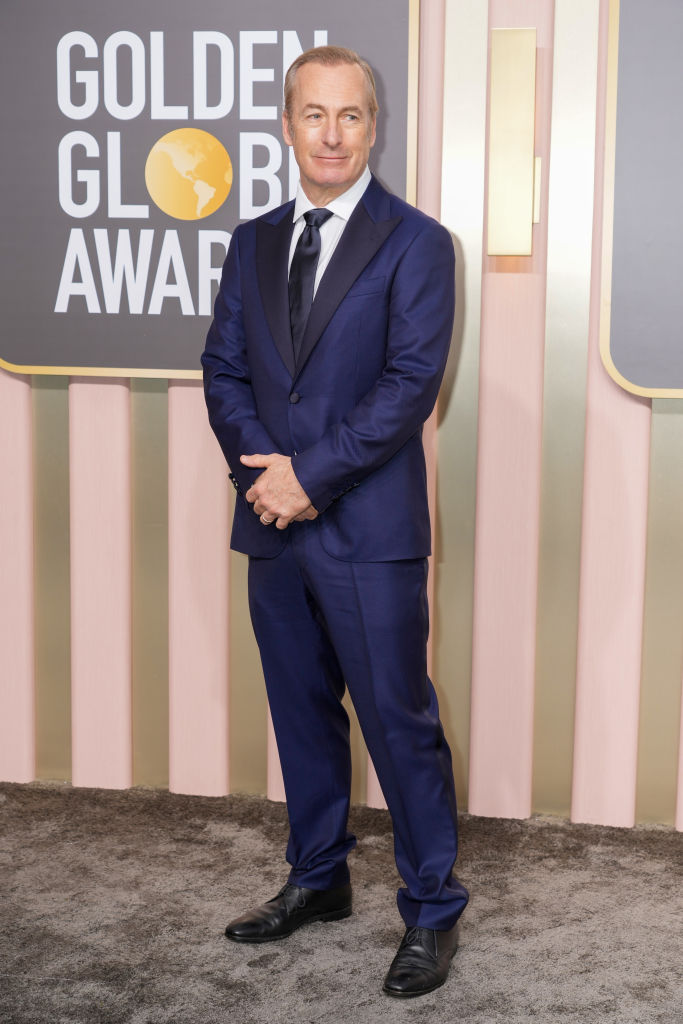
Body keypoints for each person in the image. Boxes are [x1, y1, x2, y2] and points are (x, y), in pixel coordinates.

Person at [201, 45, 468, 998]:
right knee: (300, 714)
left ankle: (430, 910)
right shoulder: (254, 239)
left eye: (349, 115)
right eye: (313, 115)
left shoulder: (417, 242)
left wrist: (308, 477)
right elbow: (224, 369)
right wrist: (263, 476)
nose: (330, 134)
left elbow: (407, 389)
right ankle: (317, 879)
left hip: (367, 528)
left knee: (400, 722)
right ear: (287, 124)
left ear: (372, 125)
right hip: (271, 522)